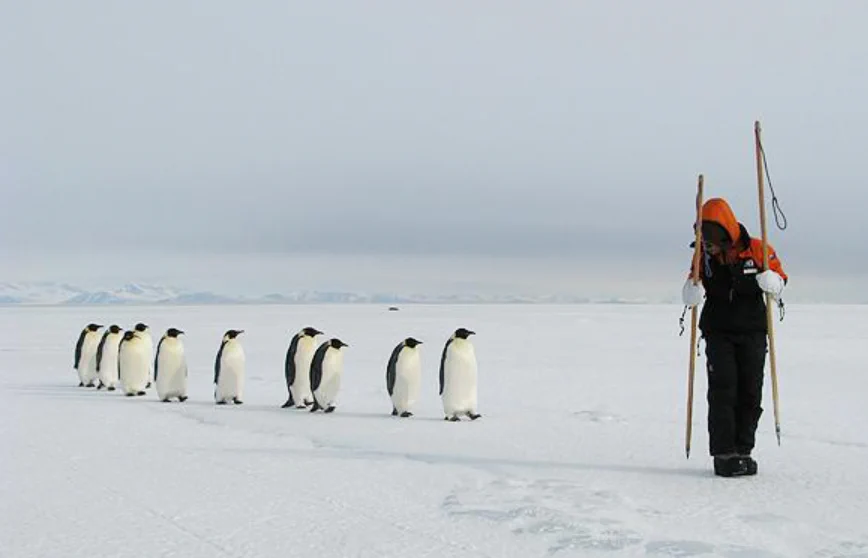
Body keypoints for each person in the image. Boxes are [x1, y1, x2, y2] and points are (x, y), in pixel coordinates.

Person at [681, 197, 788, 477]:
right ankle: (724, 454)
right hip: (718, 332)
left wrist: (772, 282)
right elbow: (694, 281)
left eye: (711, 242)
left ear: (724, 235)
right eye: (703, 242)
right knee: (723, 389)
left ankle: (743, 451)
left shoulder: (758, 250)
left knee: (750, 391)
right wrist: (690, 292)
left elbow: (781, 280)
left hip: (753, 331)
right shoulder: (703, 256)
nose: (707, 247)